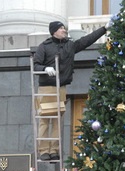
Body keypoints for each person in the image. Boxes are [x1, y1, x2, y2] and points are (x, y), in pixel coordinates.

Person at [33, 20, 111, 161]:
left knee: (57, 121)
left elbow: (86, 41)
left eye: (64, 28)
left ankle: (54, 151)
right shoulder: (44, 47)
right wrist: (45, 69)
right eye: (61, 28)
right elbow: (36, 64)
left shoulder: (69, 45)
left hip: (61, 87)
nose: (64, 30)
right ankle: (44, 150)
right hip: (47, 87)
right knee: (45, 120)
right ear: (54, 31)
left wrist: (104, 29)